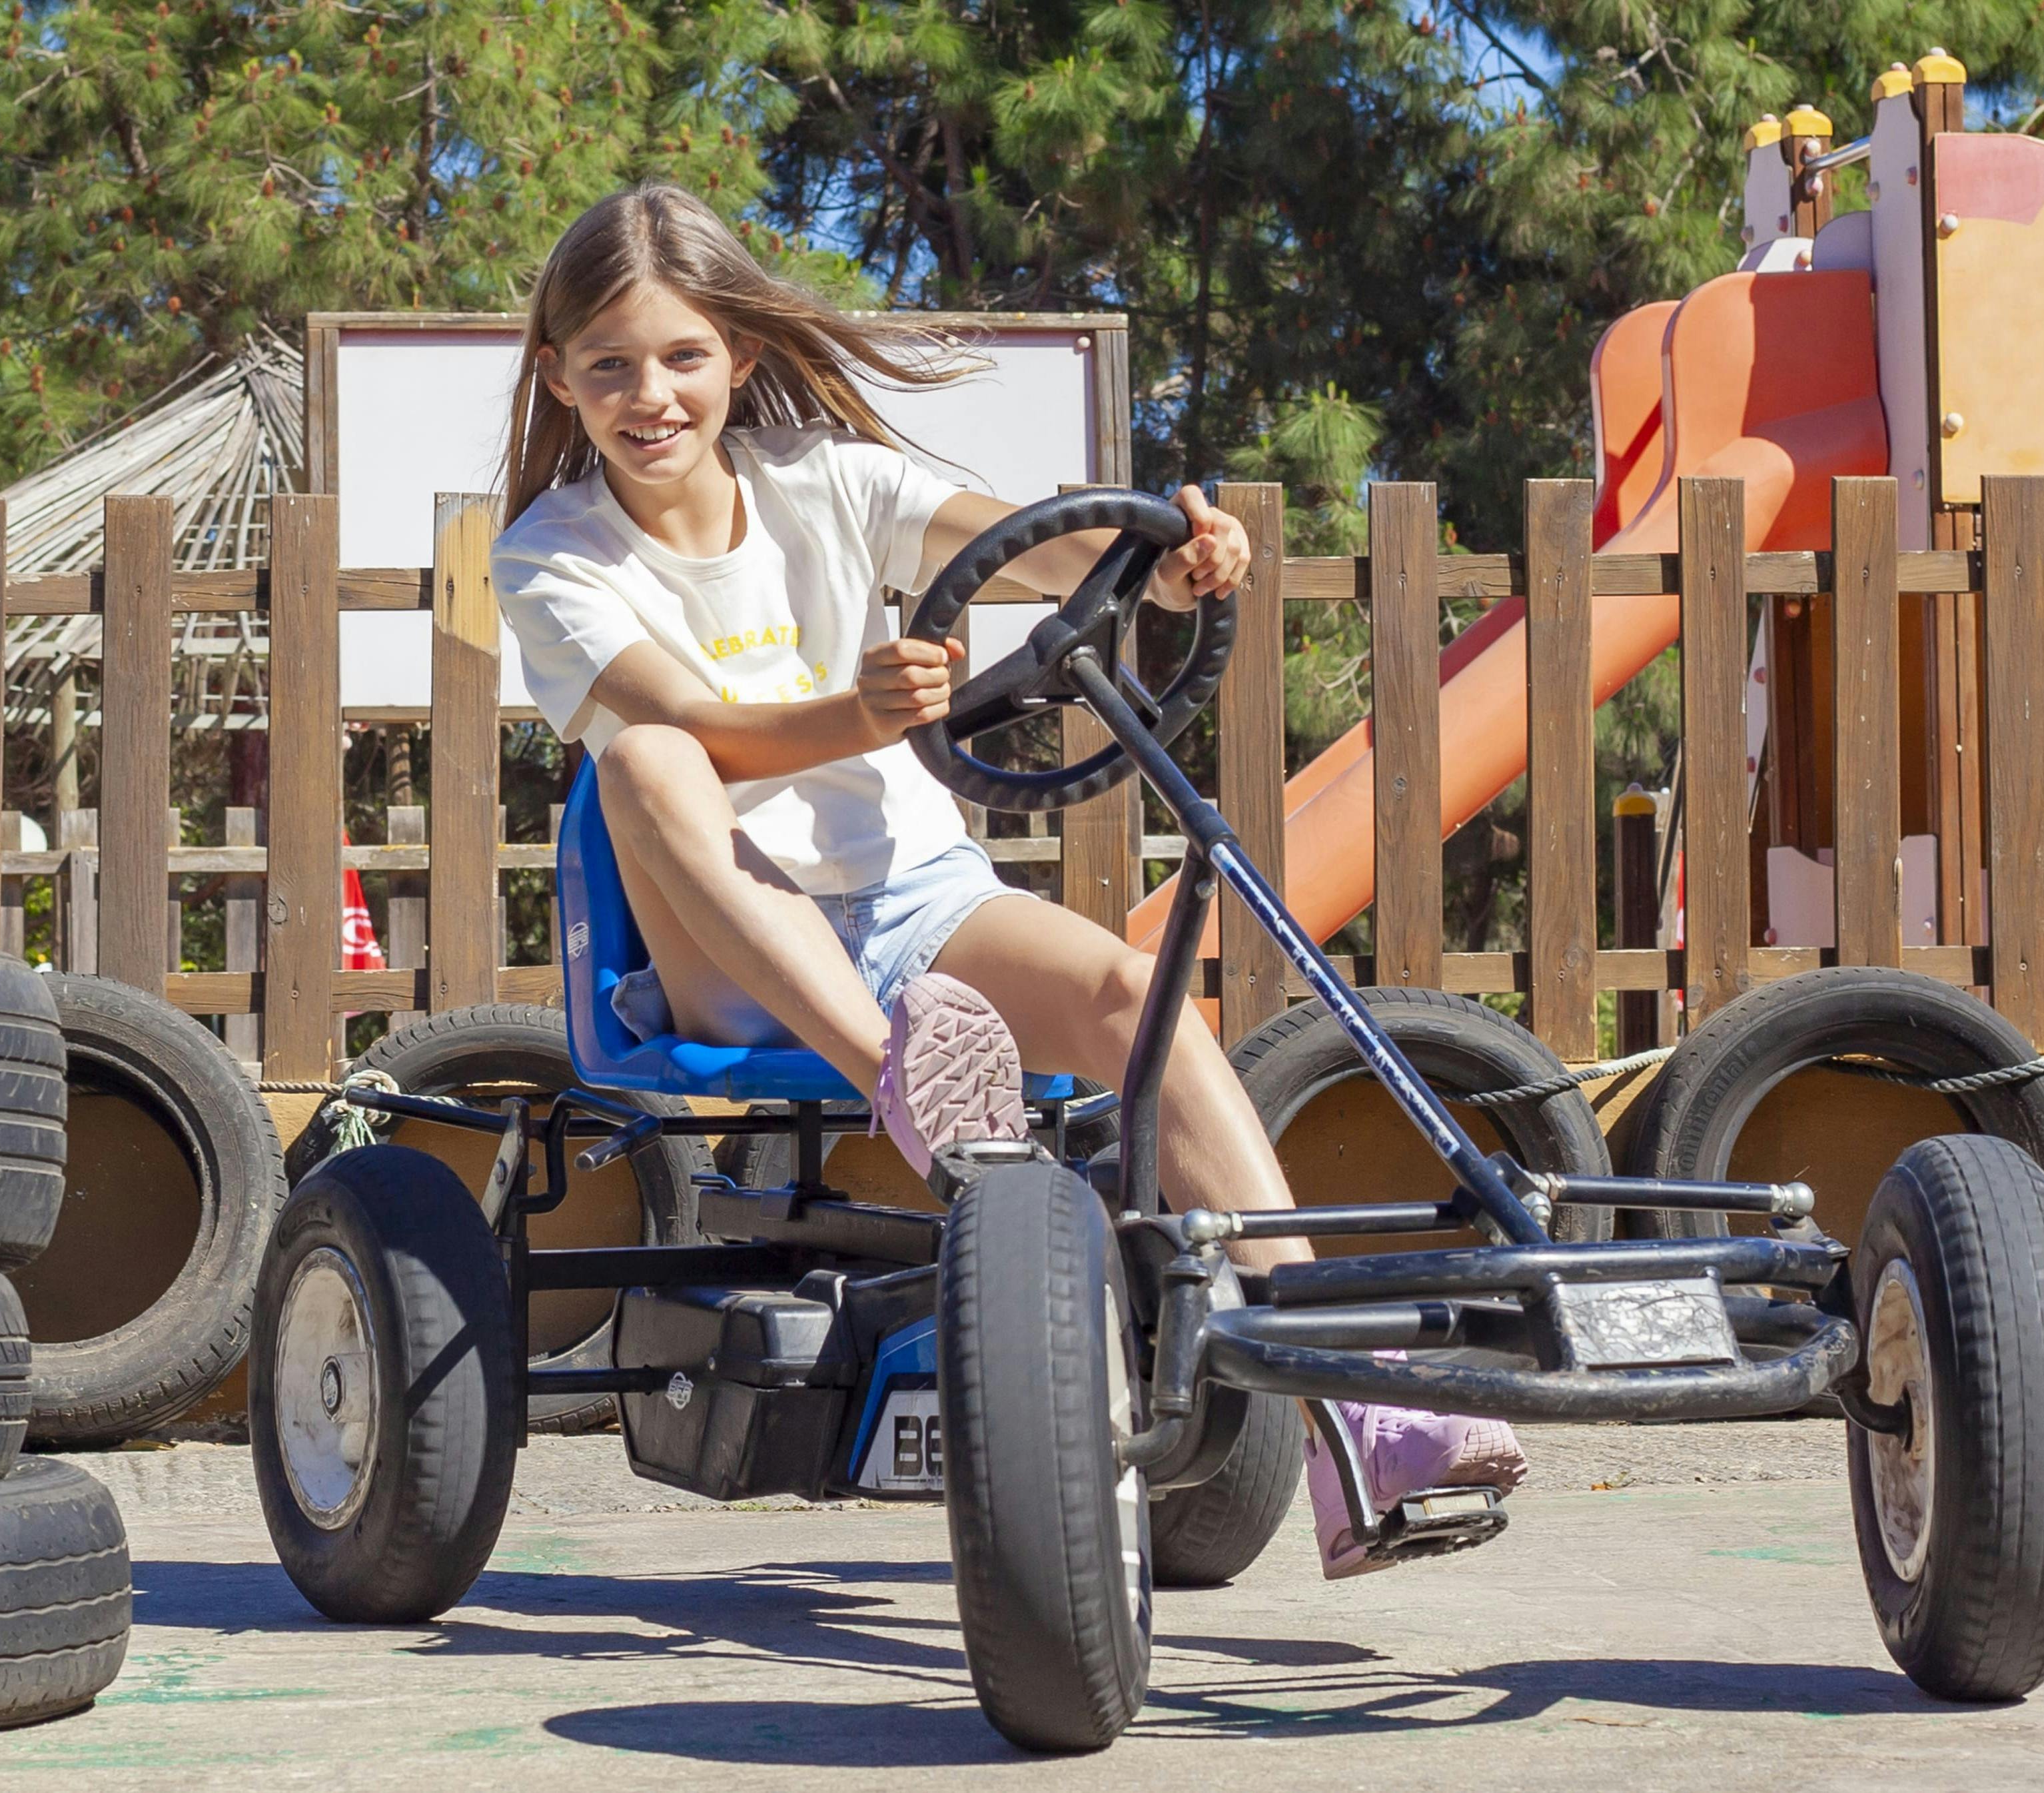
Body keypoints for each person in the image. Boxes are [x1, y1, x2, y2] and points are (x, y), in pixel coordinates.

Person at [489, 181, 1524, 1577]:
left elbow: (1028, 539)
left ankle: (1351, 1397)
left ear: (735, 353)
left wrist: (1156, 562)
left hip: (914, 902)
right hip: (734, 959)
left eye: (680, 357)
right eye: (607, 366)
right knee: (647, 763)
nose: (649, 395)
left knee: (1132, 991)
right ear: (557, 376)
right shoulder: (551, 553)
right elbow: (699, 726)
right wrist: (854, 716)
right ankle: (904, 1081)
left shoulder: (826, 480)